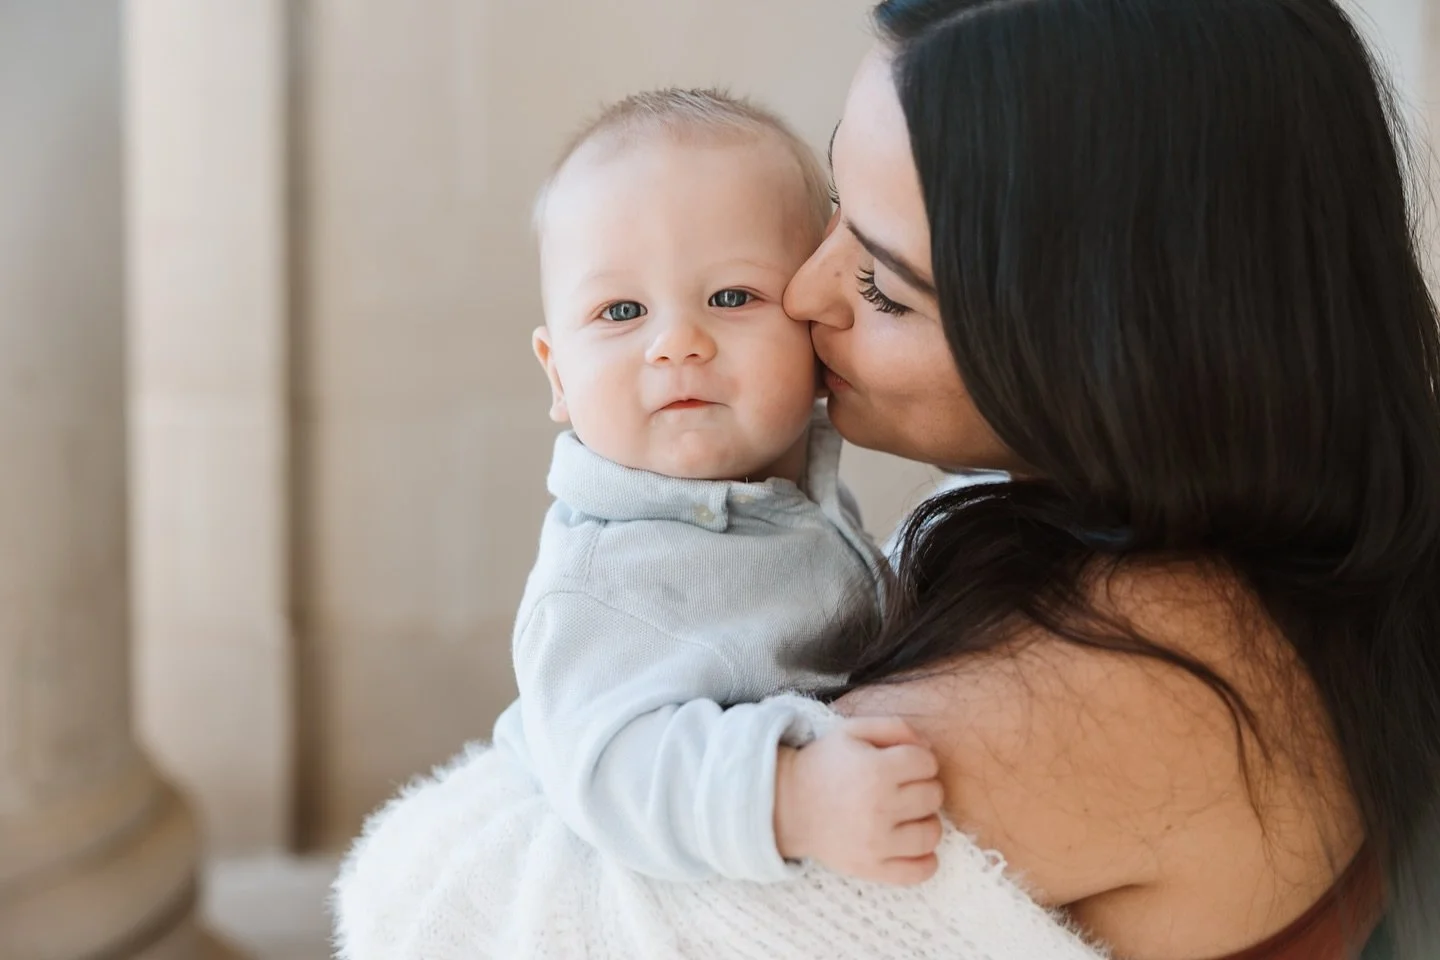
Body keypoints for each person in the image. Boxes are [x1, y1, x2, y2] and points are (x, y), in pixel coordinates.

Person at [335, 1, 1440, 957]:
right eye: (834, 223)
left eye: (885, 283)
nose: (801, 292)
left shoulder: (1119, 690)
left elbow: (444, 918)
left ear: (1105, 350)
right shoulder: (1254, 543)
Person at [491, 87, 945, 886]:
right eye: (620, 310)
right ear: (557, 373)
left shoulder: (785, 497)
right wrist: (791, 797)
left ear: (813, 326)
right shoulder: (606, 581)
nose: (678, 343)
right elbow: (608, 767)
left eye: (732, 297)